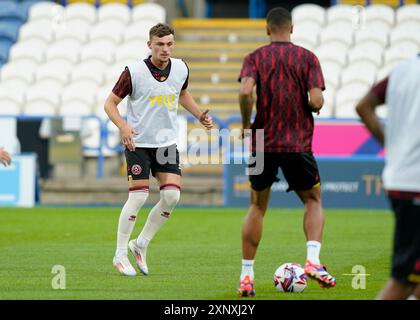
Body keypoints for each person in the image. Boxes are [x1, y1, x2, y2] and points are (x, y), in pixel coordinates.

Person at [237, 7, 336, 297]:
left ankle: (246, 277)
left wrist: (246, 125)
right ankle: (314, 260)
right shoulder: (307, 58)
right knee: (313, 200)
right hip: (297, 143)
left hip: (262, 142)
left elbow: (245, 92)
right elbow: (316, 98)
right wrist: (312, 106)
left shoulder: (255, 57)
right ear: (291, 29)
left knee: (256, 206)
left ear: (268, 30)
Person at [104, 23, 213, 276]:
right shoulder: (133, 72)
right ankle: (120, 255)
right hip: (138, 142)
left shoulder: (181, 68)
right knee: (139, 196)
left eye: (169, 44)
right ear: (150, 44)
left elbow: (182, 93)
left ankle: (140, 244)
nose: (165, 49)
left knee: (172, 197)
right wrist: (123, 127)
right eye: (160, 44)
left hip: (165, 142)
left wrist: (199, 114)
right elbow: (110, 103)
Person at [356, 54, 420, 300]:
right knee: (403, 282)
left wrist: (391, 147)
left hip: (402, 179)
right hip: (415, 184)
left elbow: (363, 105)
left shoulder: (401, 71)